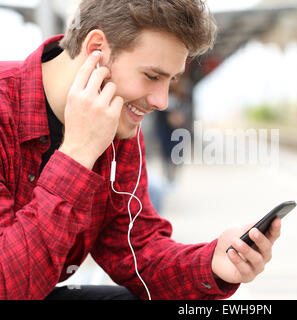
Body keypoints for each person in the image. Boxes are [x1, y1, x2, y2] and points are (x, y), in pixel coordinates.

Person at [0, 0, 282, 300]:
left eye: (170, 80)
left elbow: (136, 250)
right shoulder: (6, 108)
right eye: (151, 76)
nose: (161, 101)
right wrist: (77, 154)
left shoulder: (119, 125)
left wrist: (213, 264)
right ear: (96, 48)